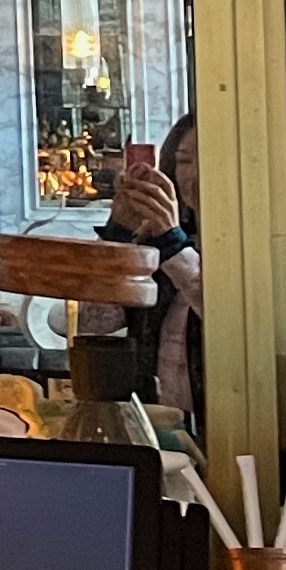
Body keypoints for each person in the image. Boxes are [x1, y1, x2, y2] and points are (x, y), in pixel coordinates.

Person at [104, 117, 199, 422]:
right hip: (152, 418)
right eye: (184, 161)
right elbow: (97, 324)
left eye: (208, 159)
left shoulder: (250, 248)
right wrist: (118, 236)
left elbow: (229, 318)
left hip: (225, 421)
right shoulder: (154, 239)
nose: (194, 174)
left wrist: (172, 242)